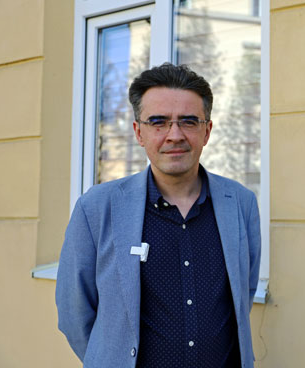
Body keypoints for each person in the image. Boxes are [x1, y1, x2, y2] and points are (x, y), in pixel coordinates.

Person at [55, 63, 261, 368]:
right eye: (159, 122)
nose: (174, 135)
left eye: (189, 121)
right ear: (139, 131)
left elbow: (244, 292)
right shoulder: (96, 209)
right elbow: (75, 314)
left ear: (207, 131)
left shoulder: (240, 203)